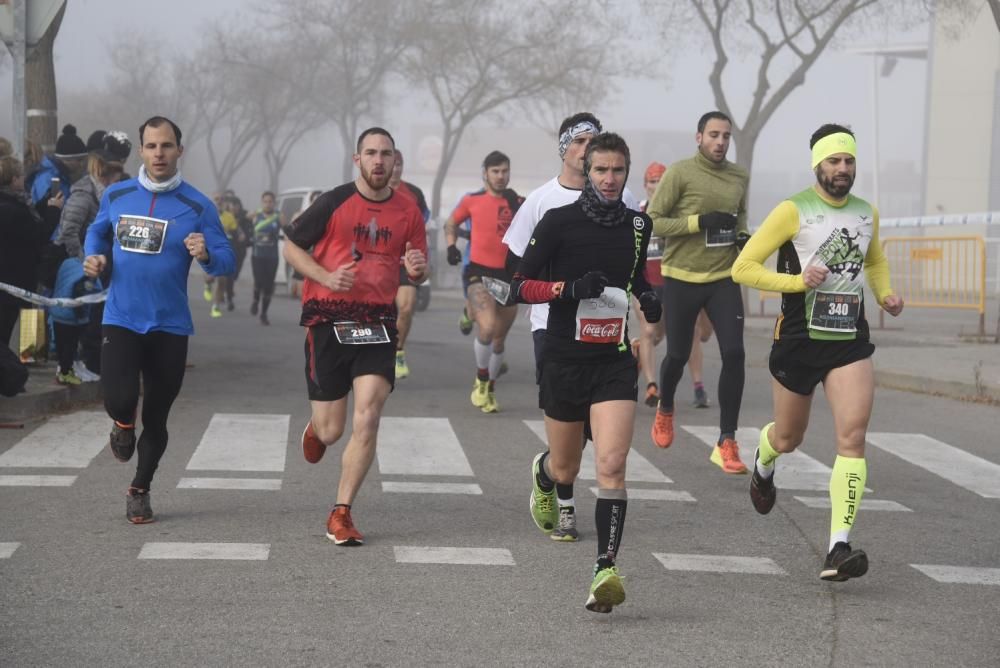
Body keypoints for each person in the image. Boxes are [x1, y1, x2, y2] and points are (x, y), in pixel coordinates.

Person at [732, 123, 903, 581]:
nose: (842, 169)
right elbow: (743, 267)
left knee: (853, 435)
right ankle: (765, 462)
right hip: (799, 339)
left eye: (848, 161)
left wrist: (885, 293)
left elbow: (875, 260)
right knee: (790, 438)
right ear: (818, 165)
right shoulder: (794, 210)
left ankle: (838, 546)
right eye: (834, 161)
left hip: (849, 340)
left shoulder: (867, 213)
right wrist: (795, 282)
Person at [510, 132, 660, 613]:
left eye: (618, 170)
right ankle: (546, 473)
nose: (610, 179)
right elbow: (517, 287)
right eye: (601, 170)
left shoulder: (639, 225)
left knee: (612, 465)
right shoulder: (557, 221)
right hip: (563, 357)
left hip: (613, 358)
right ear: (586, 173)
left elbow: (636, 273)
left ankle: (605, 568)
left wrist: (648, 295)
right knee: (568, 466)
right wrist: (568, 288)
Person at [83, 115, 235, 524]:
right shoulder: (117, 196)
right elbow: (96, 234)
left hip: (169, 326)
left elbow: (226, 260)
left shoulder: (197, 205)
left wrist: (206, 254)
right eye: (151, 146)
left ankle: (140, 489)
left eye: (166, 146)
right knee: (118, 397)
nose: (159, 154)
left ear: (179, 151)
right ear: (142, 151)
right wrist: (94, 257)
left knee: (159, 417)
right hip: (121, 317)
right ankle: (121, 422)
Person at [283, 128, 427, 546]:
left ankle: (341, 512)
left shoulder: (408, 210)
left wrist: (417, 269)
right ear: (357, 159)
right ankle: (317, 429)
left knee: (369, 415)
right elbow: (291, 245)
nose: (378, 161)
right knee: (332, 431)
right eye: (370, 153)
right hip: (329, 318)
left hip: (377, 322)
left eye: (385, 154)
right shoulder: (333, 201)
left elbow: (418, 266)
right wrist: (326, 275)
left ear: (395, 159)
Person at [503, 112, 639, 541]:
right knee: (570, 426)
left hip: (607, 329)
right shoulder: (543, 201)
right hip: (553, 326)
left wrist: (645, 299)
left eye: (594, 143)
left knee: (588, 430)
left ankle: (558, 477)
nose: (587, 151)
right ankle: (563, 499)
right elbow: (516, 275)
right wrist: (565, 287)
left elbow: (633, 261)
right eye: (580, 143)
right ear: (567, 150)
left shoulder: (627, 199)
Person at [647, 111, 751, 474]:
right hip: (680, 276)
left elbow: (740, 218)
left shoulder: (739, 176)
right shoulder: (679, 173)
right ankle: (665, 407)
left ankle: (727, 439)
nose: (720, 142)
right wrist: (698, 222)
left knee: (735, 353)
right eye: (713, 135)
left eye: (726, 136)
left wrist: (743, 237)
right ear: (699, 137)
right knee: (676, 354)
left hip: (723, 276)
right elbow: (654, 221)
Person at [444, 150, 524, 413]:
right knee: (487, 327)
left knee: (499, 340)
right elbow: (450, 223)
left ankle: (489, 387)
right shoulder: (472, 200)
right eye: (495, 171)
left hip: (509, 276)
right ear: (485, 173)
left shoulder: (517, 202)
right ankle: (479, 381)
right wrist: (451, 246)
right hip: (479, 272)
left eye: (505, 171)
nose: (501, 176)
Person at [53, 131, 132, 384]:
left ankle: (89, 364)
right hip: (84, 266)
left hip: (104, 264)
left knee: (94, 316)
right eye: (118, 173)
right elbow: (69, 231)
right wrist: (85, 259)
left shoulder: (106, 194)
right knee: (80, 318)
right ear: (108, 173)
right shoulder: (84, 194)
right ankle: (78, 364)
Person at [633, 162, 712, 409]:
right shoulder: (638, 214)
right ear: (645, 186)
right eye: (652, 182)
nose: (656, 187)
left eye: (661, 181)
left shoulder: (678, 213)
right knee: (649, 332)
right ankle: (651, 386)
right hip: (647, 283)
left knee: (694, 333)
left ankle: (698, 386)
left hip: (677, 281)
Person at [0, 155, 63, 371]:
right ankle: (27, 362)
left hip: (13, 275)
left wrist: (45, 203)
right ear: (14, 179)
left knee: (26, 312)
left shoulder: (14, 203)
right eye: (20, 176)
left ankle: (30, 358)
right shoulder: (13, 209)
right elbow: (39, 234)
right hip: (17, 276)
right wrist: (54, 211)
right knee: (13, 322)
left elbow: (31, 220)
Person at [387, 149, 430, 379]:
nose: (396, 169)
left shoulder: (414, 193)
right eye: (393, 164)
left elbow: (423, 223)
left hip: (405, 259)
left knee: (406, 306)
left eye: (400, 165)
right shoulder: (373, 192)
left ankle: (398, 351)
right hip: (379, 262)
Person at [249, 191, 283, 325]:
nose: (268, 204)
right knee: (259, 282)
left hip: (272, 257)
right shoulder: (255, 215)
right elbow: (244, 221)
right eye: (265, 201)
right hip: (258, 255)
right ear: (262, 202)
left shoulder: (279, 217)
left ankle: (264, 314)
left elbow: (289, 230)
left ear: (274, 203)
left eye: (270, 202)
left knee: (268, 287)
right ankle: (256, 300)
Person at [211, 197, 240, 317]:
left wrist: (238, 234)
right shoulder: (207, 215)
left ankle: (215, 306)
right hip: (209, 250)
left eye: (221, 202)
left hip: (223, 251)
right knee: (209, 278)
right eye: (216, 202)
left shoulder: (229, 216)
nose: (219, 204)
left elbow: (235, 231)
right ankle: (207, 284)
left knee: (221, 280)